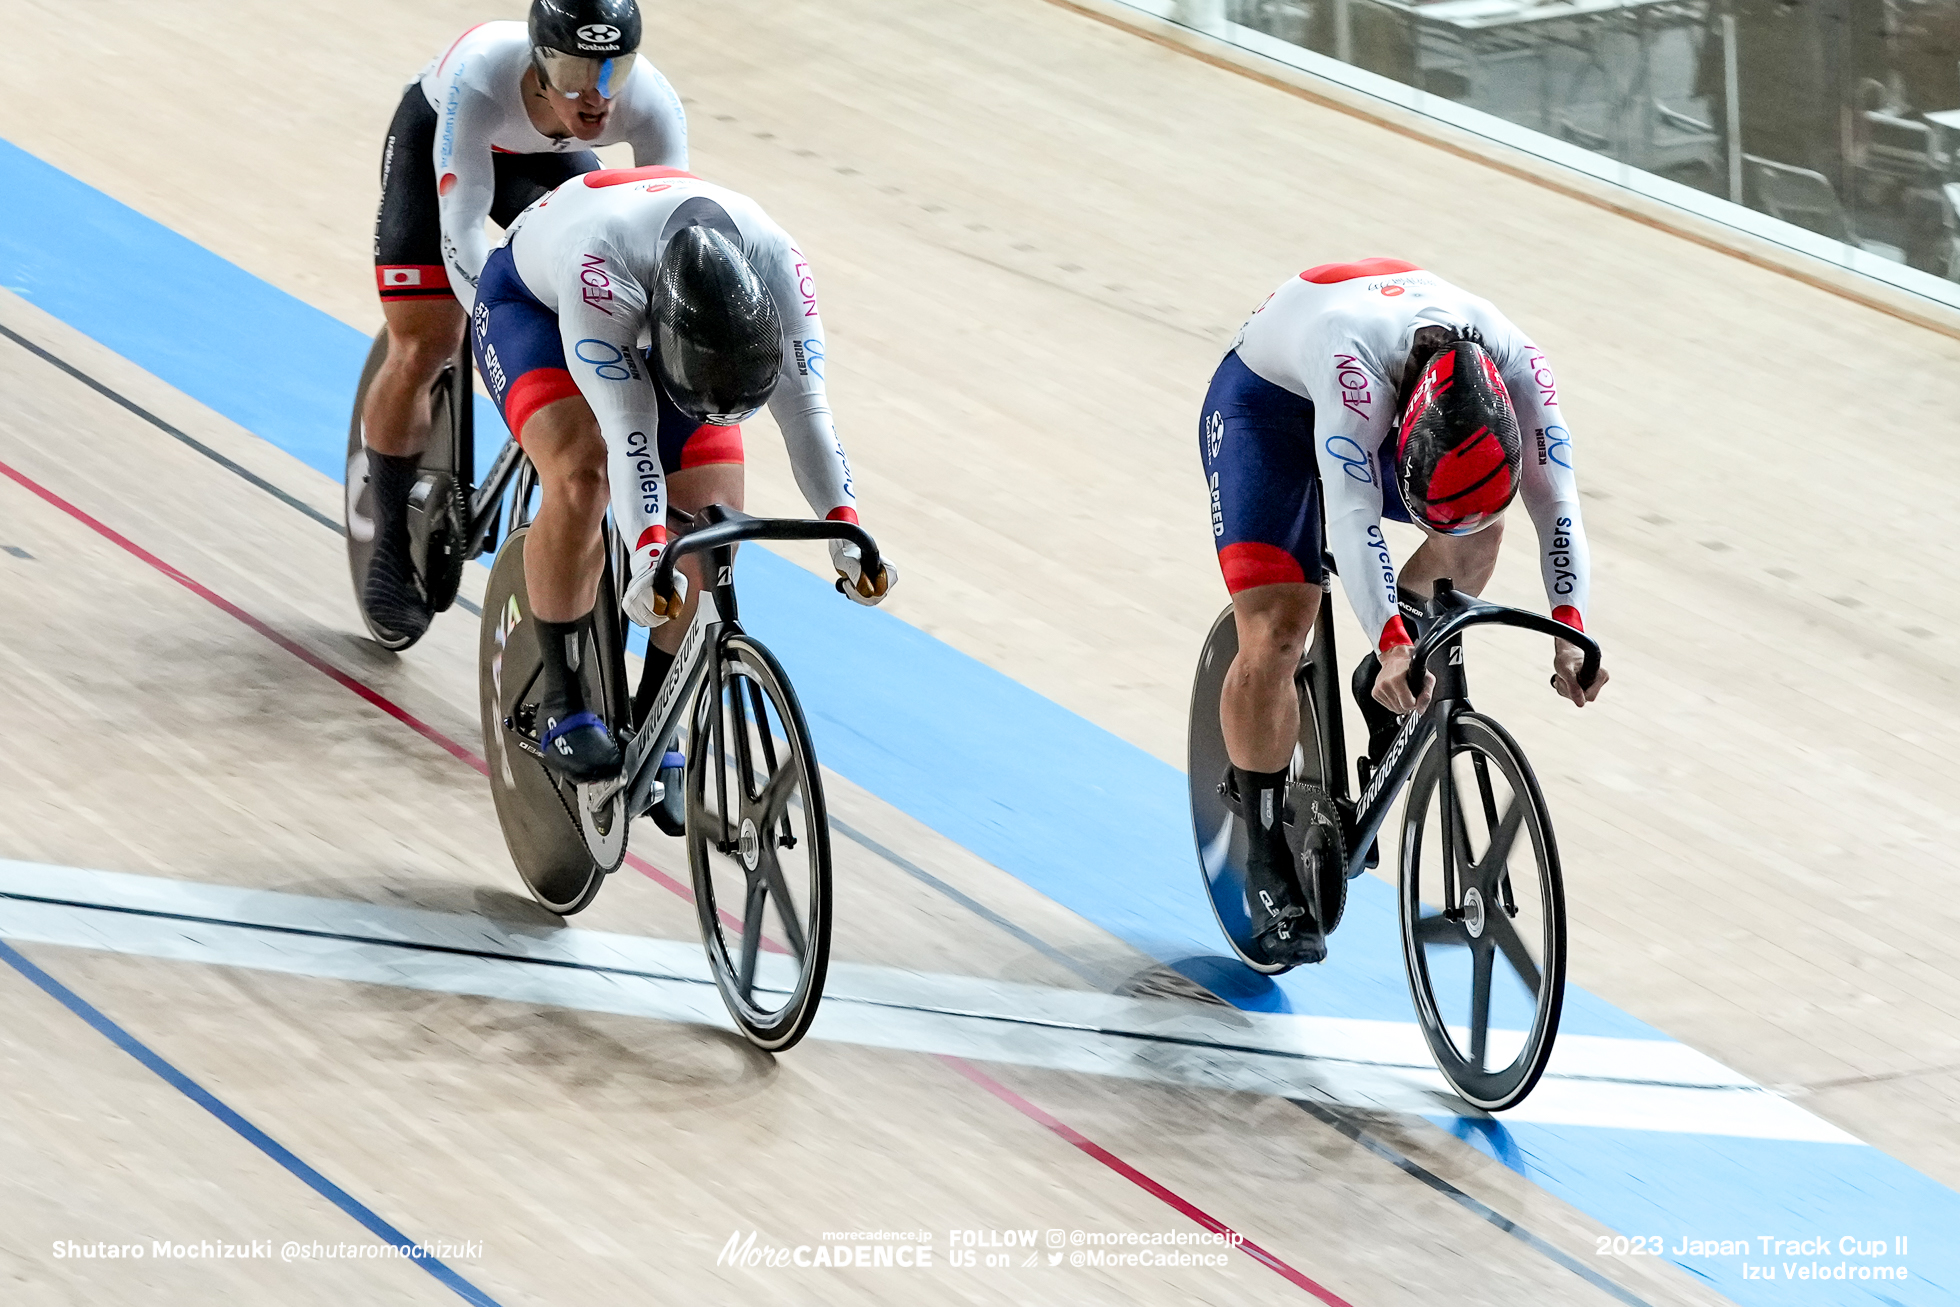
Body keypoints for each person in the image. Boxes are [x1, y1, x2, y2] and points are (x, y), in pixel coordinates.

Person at [1200, 257, 1607, 966]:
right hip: (1267, 407)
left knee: (1481, 521)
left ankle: (1387, 675)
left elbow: (1559, 503)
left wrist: (1570, 627)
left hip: (1391, 405)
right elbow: (1355, 516)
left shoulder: (1522, 367)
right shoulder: (1350, 367)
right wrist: (1389, 637)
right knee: (1280, 627)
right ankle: (1263, 846)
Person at [469, 164, 896, 782]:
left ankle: (654, 720)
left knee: (713, 522)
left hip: (668, 315)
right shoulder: (600, 263)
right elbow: (629, 433)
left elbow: (808, 413)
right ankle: (564, 704)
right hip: (534, 303)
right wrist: (647, 551)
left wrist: (846, 529)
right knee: (582, 475)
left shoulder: (779, 262)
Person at [361, 0, 688, 642]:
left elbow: (660, 230)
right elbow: (461, 227)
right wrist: (498, 331)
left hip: (544, 164)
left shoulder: (651, 102)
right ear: (538, 65)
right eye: (573, 72)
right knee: (427, 343)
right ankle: (389, 542)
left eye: (611, 73)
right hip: (441, 152)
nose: (594, 99)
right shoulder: (483, 76)